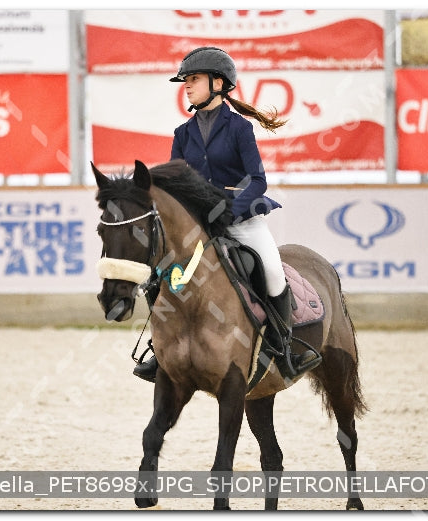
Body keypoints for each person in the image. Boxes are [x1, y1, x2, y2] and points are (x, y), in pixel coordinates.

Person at [133, 46, 319, 383]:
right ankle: (160, 351)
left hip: (241, 221)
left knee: (273, 273)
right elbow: (176, 183)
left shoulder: (239, 129)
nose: (186, 85)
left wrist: (229, 209)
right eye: (185, 80)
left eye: (193, 79)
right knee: (160, 275)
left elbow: (258, 180)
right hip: (200, 229)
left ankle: (286, 348)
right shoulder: (182, 134)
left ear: (218, 83)